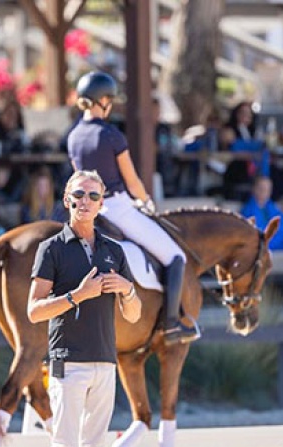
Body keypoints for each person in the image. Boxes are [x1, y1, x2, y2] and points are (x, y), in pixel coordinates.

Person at [28, 170, 141, 447]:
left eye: (93, 195)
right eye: (79, 194)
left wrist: (127, 290)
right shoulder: (52, 249)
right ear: (67, 200)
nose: (86, 201)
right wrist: (78, 295)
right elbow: (34, 311)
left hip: (105, 360)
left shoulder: (115, 250)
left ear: (101, 203)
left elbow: (134, 313)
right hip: (67, 359)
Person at [66, 71, 197, 344]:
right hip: (116, 207)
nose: (110, 105)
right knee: (176, 256)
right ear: (102, 100)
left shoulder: (74, 136)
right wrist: (146, 201)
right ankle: (172, 325)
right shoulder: (111, 135)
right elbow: (132, 180)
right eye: (110, 100)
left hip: (84, 208)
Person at [239, 177, 283, 251]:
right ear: (254, 189)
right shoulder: (248, 210)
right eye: (261, 188)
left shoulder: (271, 207)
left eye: (268, 190)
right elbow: (259, 234)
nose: (264, 192)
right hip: (273, 245)